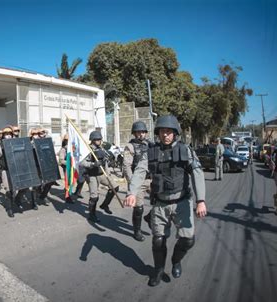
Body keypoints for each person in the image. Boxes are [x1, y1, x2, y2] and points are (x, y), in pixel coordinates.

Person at [124, 114, 207, 287]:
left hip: (182, 202)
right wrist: (131, 192)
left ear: (175, 133)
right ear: (158, 133)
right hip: (160, 204)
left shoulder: (186, 150)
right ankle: (159, 270)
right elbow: (139, 171)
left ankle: (176, 261)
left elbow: (197, 173)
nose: (165, 135)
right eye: (162, 131)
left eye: (169, 131)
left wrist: (201, 201)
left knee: (188, 240)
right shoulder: (151, 152)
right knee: (158, 241)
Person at [80, 130, 120, 223]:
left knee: (115, 187)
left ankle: (105, 205)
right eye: (97, 139)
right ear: (92, 140)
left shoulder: (101, 148)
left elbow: (105, 161)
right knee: (94, 197)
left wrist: (108, 164)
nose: (99, 141)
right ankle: (92, 215)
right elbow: (82, 162)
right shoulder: (88, 149)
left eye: (100, 139)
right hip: (92, 175)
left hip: (102, 174)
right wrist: (93, 164)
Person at [123, 121, 151, 241]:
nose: (141, 134)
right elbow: (127, 166)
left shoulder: (151, 144)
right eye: (138, 132)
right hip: (138, 180)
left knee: (162, 202)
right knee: (139, 208)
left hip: (151, 178)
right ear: (134, 133)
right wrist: (132, 183)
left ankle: (150, 217)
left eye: (142, 132)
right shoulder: (130, 146)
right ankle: (137, 231)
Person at [59, 134, 75, 204]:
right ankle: (67, 197)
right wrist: (69, 163)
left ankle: (69, 192)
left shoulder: (73, 148)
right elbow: (61, 160)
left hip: (73, 168)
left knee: (72, 182)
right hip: (67, 168)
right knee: (68, 182)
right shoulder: (63, 149)